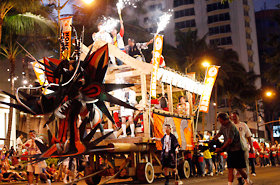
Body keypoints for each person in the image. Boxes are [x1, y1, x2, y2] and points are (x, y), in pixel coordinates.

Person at [213, 112, 252, 185]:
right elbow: (219, 133)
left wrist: (221, 149)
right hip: (230, 150)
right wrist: (214, 139)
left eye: (221, 121)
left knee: (239, 169)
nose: (221, 123)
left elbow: (229, 141)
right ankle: (230, 184)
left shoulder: (231, 126)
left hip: (237, 150)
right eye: (219, 121)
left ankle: (247, 180)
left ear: (226, 120)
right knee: (230, 168)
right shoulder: (223, 126)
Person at [230, 111, 253, 184]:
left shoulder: (243, 125)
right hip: (234, 148)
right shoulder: (230, 126)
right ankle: (239, 179)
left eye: (235, 116)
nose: (234, 118)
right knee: (236, 164)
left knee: (245, 163)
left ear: (238, 117)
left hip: (243, 147)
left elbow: (249, 137)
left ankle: (247, 179)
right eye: (232, 117)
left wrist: (251, 147)